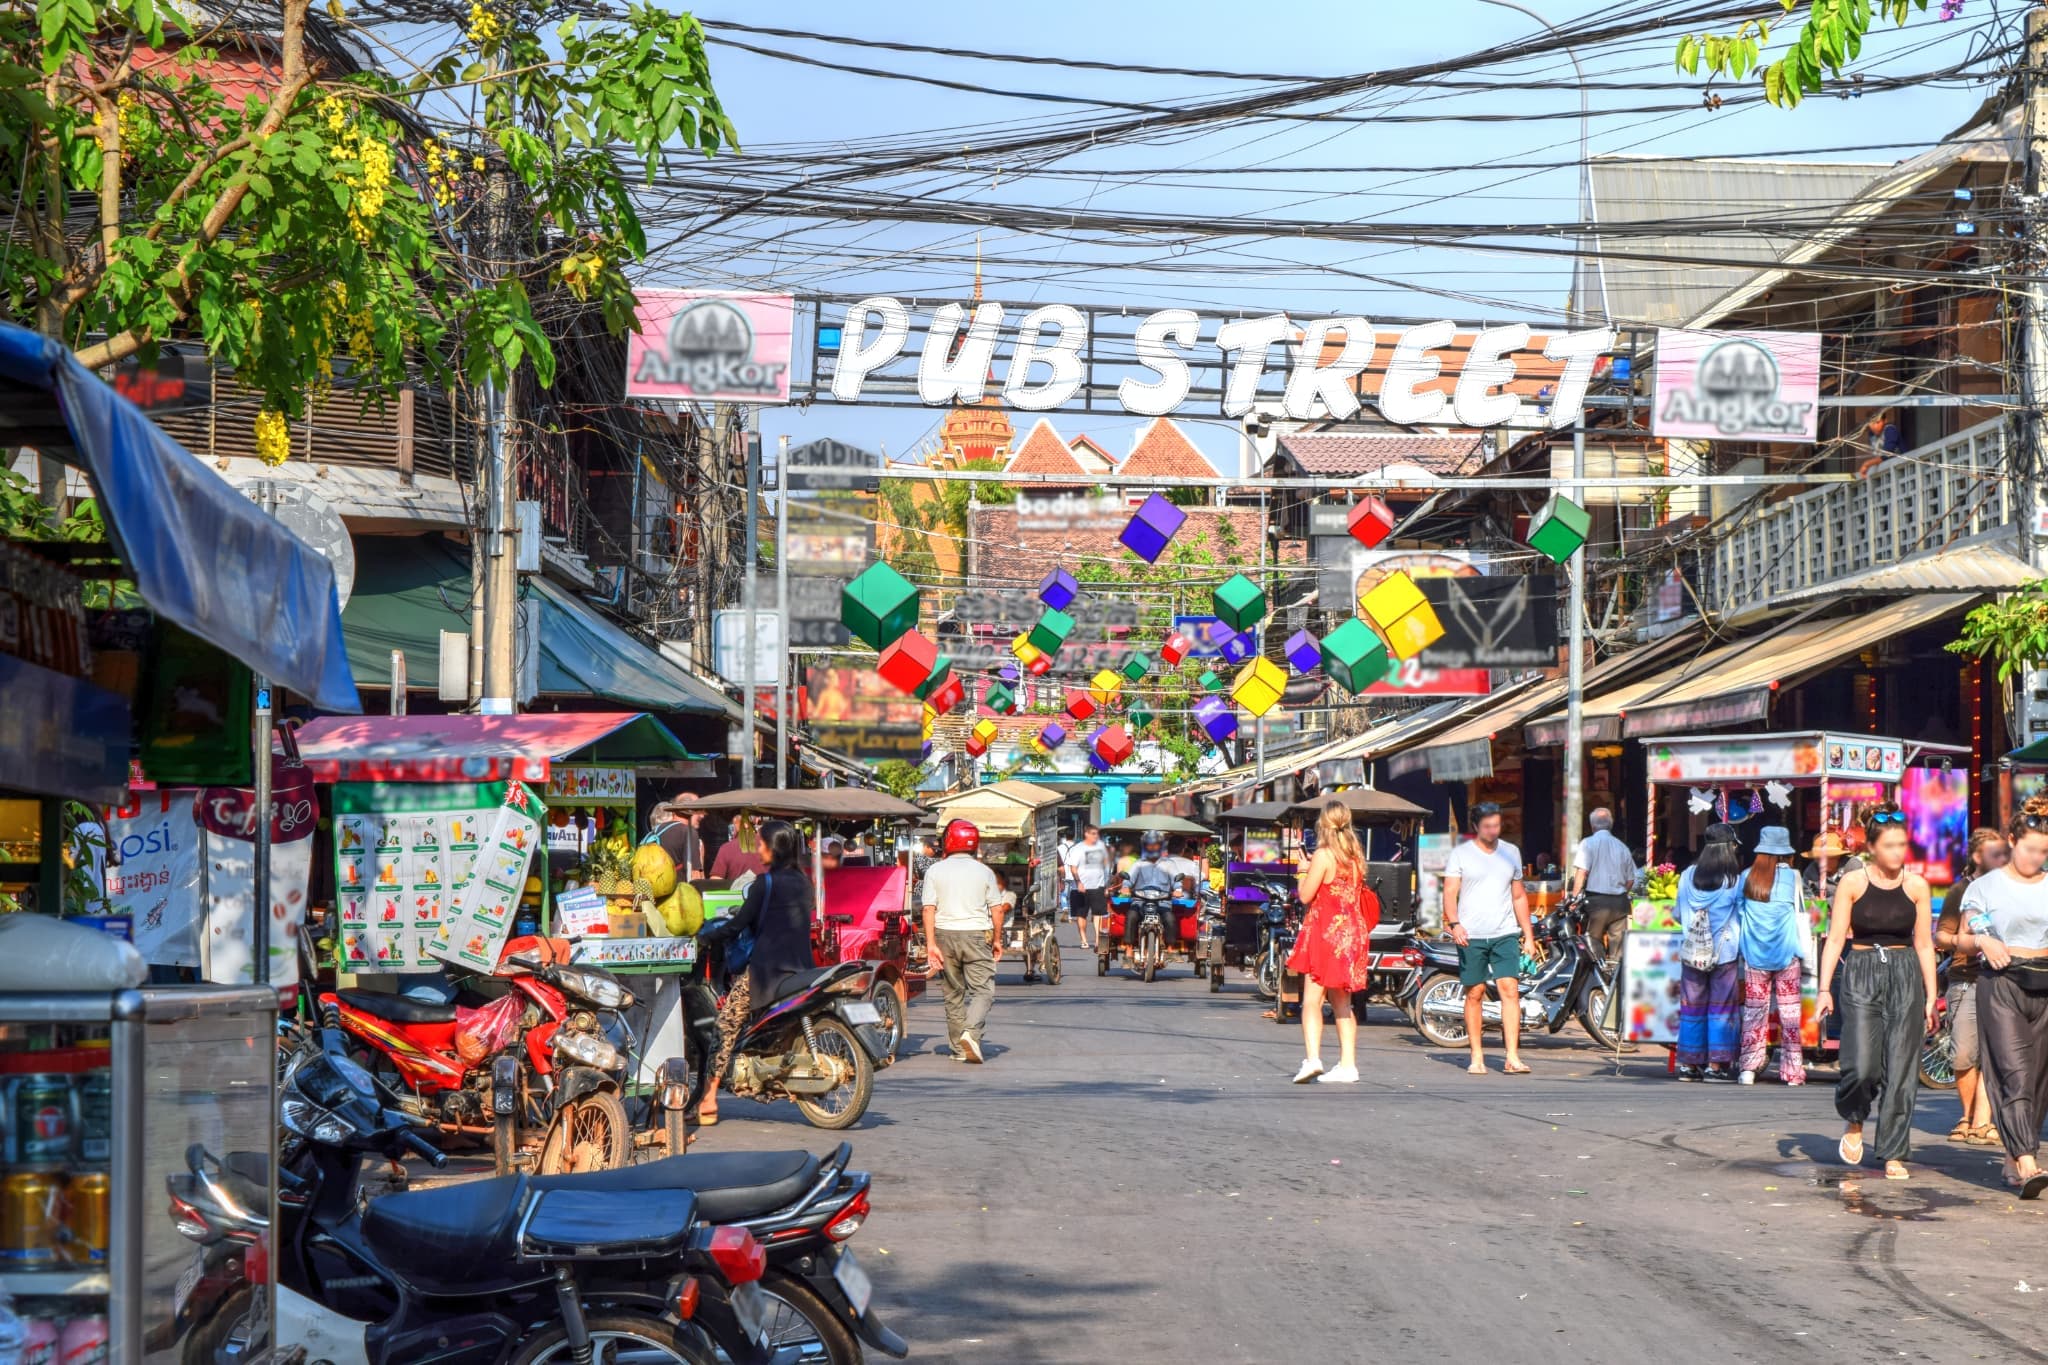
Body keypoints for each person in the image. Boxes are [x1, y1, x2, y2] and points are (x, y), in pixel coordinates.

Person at [1819, 803, 1936, 1180]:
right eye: (1890, 846)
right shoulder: (1853, 883)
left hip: (1905, 973)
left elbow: (1924, 945)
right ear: (1872, 848)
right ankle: (1854, 1119)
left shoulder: (1917, 885)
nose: (1898, 853)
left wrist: (1931, 995)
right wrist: (1824, 989)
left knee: (1902, 1069)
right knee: (1861, 1065)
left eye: (1902, 845)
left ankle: (1892, 1151)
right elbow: (1836, 938)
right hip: (1863, 970)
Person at [695, 821, 817, 1125]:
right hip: (801, 966)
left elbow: (737, 926)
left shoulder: (765, 884)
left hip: (766, 970)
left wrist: (706, 937)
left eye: (761, 844)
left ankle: (709, 1099)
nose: (757, 849)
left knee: (724, 1027)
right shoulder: (803, 882)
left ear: (773, 848)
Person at [1956, 798, 2048, 1198]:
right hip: (2001, 982)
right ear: (2012, 841)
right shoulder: (1984, 886)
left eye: (2045, 850)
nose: (2037, 857)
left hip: (2044, 983)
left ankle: (2013, 1155)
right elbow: (1959, 935)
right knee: (2013, 1070)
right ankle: (2028, 1160)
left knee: (2038, 1077)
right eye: (2030, 848)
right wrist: (1981, 939)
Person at [1287, 800, 1381, 1085]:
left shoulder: (1323, 856)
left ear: (1323, 824)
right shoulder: (1355, 857)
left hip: (1326, 932)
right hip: (1352, 933)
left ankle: (1313, 1059)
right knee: (1343, 1003)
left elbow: (1305, 896)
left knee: (1312, 1000)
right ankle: (1348, 1064)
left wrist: (1302, 870)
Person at [1442, 802, 1536, 1075]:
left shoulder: (1511, 852)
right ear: (1475, 827)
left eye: (1496, 825)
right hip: (1471, 935)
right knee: (1476, 992)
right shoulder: (1461, 854)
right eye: (1487, 826)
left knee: (1510, 990)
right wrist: (1455, 924)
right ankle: (1477, 1055)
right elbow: (1450, 893)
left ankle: (1512, 1056)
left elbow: (1518, 896)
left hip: (1505, 932)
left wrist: (1527, 935)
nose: (1493, 831)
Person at [1937, 828, 2008, 1148]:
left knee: (1995, 1052)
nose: (2004, 859)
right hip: (1965, 977)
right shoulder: (1960, 891)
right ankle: (1967, 1116)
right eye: (1997, 853)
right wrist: (1968, 942)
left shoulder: (2012, 890)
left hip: (2003, 978)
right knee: (1964, 1053)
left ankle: (1983, 1121)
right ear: (1978, 857)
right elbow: (1941, 936)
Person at [922, 819, 1005, 1064]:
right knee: (984, 991)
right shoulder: (985, 872)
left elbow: (928, 909)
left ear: (948, 841)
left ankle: (960, 1050)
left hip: (945, 935)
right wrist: (998, 940)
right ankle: (971, 1032)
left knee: (953, 993)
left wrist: (931, 944)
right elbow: (997, 910)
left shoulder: (935, 870)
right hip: (977, 936)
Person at [1736, 826, 1806, 1087]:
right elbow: (1801, 909)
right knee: (1789, 1015)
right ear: (1786, 853)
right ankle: (1792, 1073)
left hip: (1754, 955)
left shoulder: (1746, 877)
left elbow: (1739, 912)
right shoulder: (1793, 878)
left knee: (1754, 1013)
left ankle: (1748, 1070)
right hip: (1787, 953)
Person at [1675, 825, 1745, 1082]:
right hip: (1723, 953)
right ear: (1729, 849)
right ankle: (1716, 1066)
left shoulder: (1687, 876)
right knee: (1721, 1009)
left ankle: (1689, 1066)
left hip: (1692, 952)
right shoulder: (1734, 881)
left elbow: (1677, 913)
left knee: (1691, 1007)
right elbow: (1741, 915)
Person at [1570, 807, 1637, 966]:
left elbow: (1581, 873)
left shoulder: (1588, 843)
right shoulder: (1622, 847)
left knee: (1593, 943)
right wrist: (1619, 892)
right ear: (1611, 825)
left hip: (1596, 902)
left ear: (1592, 826)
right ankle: (1616, 983)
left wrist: (1573, 899)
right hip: (1620, 903)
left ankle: (1598, 980)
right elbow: (1631, 880)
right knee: (1618, 950)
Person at [1120, 831, 1181, 952]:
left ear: (1161, 845)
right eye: (1149, 844)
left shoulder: (1169, 864)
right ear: (1145, 846)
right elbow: (1129, 879)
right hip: (1140, 901)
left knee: (1170, 919)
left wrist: (1178, 890)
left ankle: (1170, 948)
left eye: (1155, 844)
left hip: (1163, 902)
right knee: (1131, 916)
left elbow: (1176, 880)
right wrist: (1126, 887)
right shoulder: (1138, 864)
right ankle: (1129, 948)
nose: (1152, 847)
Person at [1063, 825, 1113, 953]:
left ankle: (1097, 940)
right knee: (1081, 914)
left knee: (1099, 913)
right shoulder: (1077, 849)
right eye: (1093, 833)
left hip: (1098, 885)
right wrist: (1078, 882)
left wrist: (1107, 885)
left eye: (1097, 834)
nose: (1095, 836)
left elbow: (1107, 867)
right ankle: (1084, 940)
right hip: (1080, 887)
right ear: (1086, 834)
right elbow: (1073, 868)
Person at [647, 796, 704, 879]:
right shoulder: (688, 832)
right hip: (675, 889)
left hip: (650, 887)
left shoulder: (654, 832)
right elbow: (694, 874)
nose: (701, 816)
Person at [1804, 831, 1863, 898]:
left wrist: (1827, 903)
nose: (1820, 862)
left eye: (1825, 858)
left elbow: (1855, 895)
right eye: (1817, 858)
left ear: (1837, 857)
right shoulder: (1811, 871)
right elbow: (1808, 898)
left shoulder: (1853, 867)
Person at [711, 815, 767, 882]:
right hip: (765, 891)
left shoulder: (726, 848)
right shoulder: (768, 845)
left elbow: (716, 880)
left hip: (736, 891)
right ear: (755, 821)